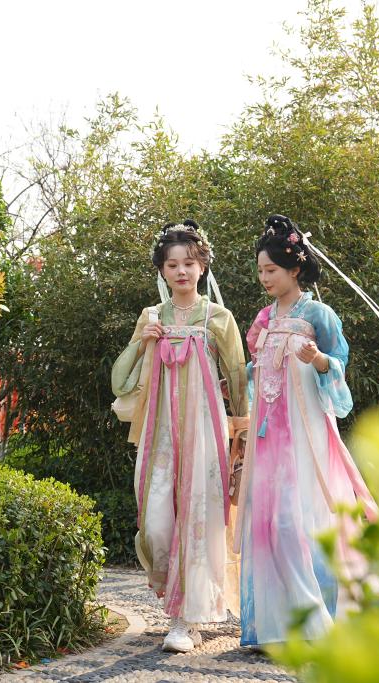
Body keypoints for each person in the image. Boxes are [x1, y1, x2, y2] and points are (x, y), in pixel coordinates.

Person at [235, 214, 379, 648]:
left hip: (305, 435)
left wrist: (317, 360)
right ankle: (277, 627)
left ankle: (318, 623)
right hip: (268, 436)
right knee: (270, 524)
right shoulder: (263, 318)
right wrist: (239, 381)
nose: (264, 278)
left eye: (271, 270)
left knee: (295, 523)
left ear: (295, 269)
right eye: (261, 271)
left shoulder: (320, 314)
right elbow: (257, 371)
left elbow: (339, 368)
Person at [111, 220, 249, 653]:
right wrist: (141, 342)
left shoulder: (218, 318)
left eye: (189, 262)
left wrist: (243, 439)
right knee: (155, 523)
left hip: (205, 434)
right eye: (172, 265)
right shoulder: (152, 317)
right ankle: (176, 604)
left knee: (198, 517)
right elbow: (119, 381)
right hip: (160, 435)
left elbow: (238, 379)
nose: (182, 271)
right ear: (162, 270)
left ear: (202, 266)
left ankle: (185, 620)